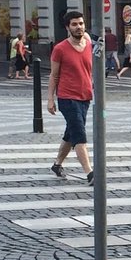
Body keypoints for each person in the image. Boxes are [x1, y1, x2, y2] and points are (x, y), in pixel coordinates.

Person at [48, 11, 94, 185]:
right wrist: (50, 99)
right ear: (67, 27)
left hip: (85, 96)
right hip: (67, 97)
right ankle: (90, 173)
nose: (79, 27)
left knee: (71, 132)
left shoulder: (89, 44)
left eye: (81, 23)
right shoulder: (60, 49)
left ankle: (57, 164)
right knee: (79, 133)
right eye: (74, 24)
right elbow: (54, 75)